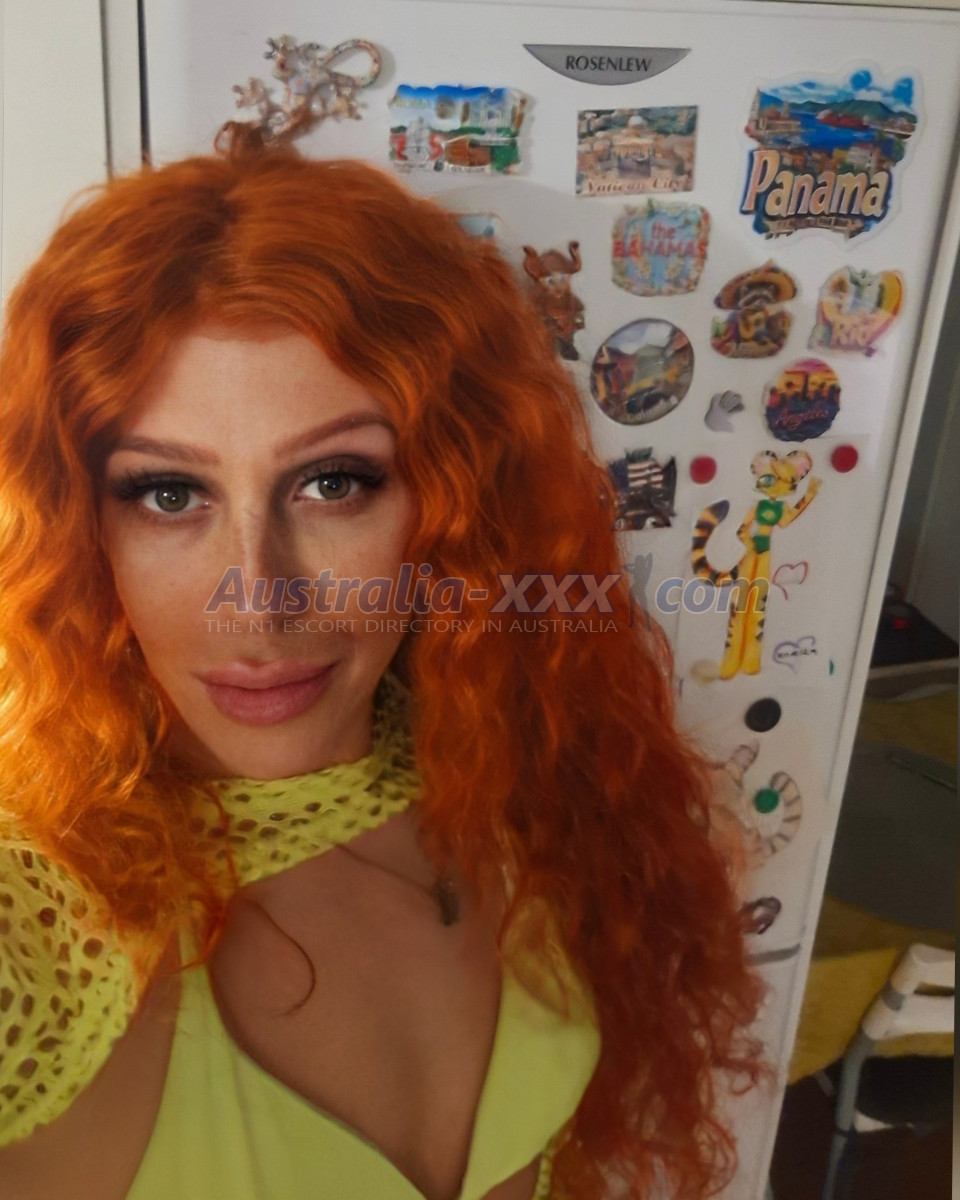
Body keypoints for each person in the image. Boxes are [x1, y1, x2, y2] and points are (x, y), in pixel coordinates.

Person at [0, 136, 764, 1200]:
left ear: (452, 503)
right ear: (82, 528)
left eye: (334, 483)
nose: (259, 601)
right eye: (169, 494)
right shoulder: (39, 908)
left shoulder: (513, 770)